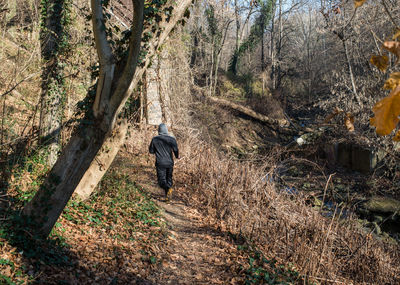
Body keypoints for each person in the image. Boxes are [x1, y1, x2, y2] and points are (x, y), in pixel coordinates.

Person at [149, 123, 179, 201]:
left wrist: (157, 150)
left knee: (161, 181)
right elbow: (176, 150)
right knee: (169, 178)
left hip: (160, 163)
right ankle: (167, 195)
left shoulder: (155, 139)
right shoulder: (172, 139)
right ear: (166, 130)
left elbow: (151, 151)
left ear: (159, 130)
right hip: (169, 162)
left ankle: (168, 190)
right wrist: (177, 156)